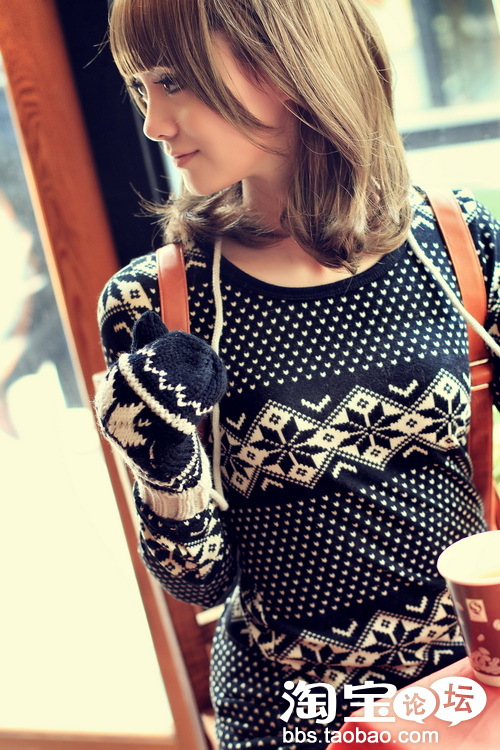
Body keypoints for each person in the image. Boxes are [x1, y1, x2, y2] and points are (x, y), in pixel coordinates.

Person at [95, 1, 500, 747]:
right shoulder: (156, 300)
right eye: (140, 87)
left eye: (172, 81)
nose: (153, 123)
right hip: (291, 711)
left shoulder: (459, 243)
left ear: (280, 59)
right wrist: (163, 461)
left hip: (471, 686)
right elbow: (198, 582)